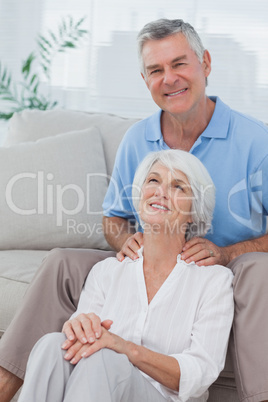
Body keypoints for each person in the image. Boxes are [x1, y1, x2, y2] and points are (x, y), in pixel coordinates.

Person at [0, 17, 268, 402]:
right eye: (156, 70)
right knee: (61, 262)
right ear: (145, 81)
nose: (169, 78)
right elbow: (114, 218)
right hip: (154, 251)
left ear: (205, 64)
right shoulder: (137, 138)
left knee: (258, 270)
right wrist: (129, 241)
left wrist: (229, 253)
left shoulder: (255, 140)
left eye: (179, 64)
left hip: (230, 262)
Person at [18, 150, 234, 402]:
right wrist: (78, 327)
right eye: (153, 181)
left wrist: (124, 348)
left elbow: (200, 374)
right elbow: (80, 345)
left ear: (194, 212)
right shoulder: (106, 272)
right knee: (52, 346)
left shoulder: (214, 281)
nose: (161, 192)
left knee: (105, 359)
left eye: (178, 187)